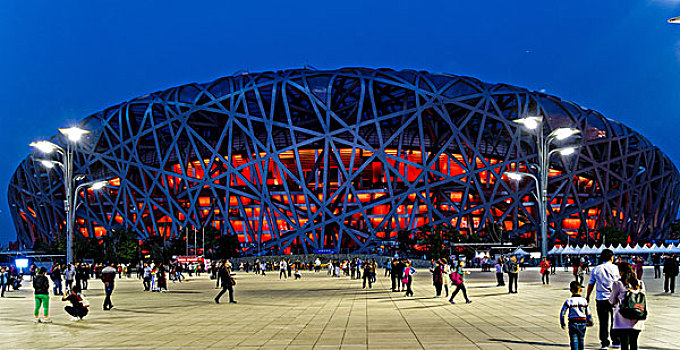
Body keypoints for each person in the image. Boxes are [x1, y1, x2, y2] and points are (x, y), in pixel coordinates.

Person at [585, 248, 620, 349]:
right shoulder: (615, 268)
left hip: (601, 298)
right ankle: (616, 340)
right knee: (615, 320)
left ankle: (604, 342)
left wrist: (587, 296)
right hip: (614, 298)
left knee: (603, 321)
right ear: (611, 258)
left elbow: (591, 284)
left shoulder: (596, 269)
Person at [610, 262, 645, 350]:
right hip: (637, 316)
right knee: (634, 343)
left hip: (623, 317)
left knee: (624, 344)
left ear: (621, 272)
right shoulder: (640, 283)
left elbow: (612, 300)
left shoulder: (618, 284)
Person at [559, 281, 593, 350]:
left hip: (572, 323)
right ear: (580, 290)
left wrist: (562, 321)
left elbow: (563, 312)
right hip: (583, 322)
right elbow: (588, 313)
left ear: (571, 290)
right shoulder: (584, 301)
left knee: (574, 340)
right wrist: (590, 320)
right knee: (581, 340)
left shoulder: (569, 301)